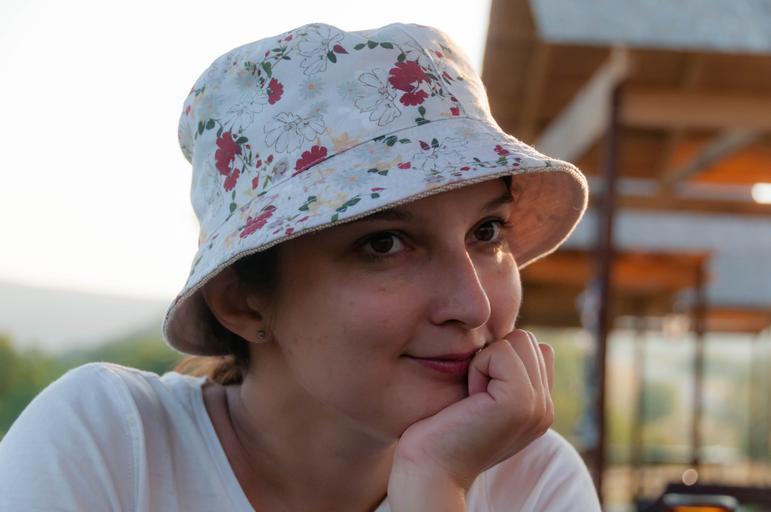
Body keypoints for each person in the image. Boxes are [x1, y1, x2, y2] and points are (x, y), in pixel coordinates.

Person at [0, 21, 600, 511]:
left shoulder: (533, 482)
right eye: (384, 244)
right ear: (242, 300)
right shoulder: (112, 446)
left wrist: (435, 485)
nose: (473, 305)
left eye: (486, 233)